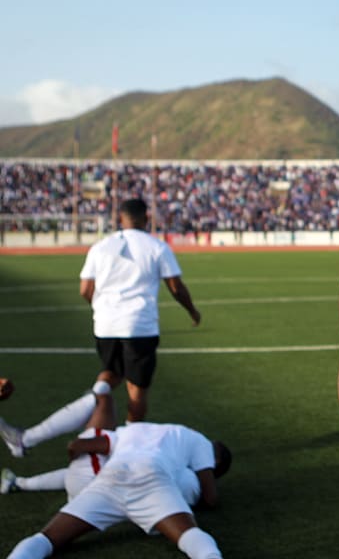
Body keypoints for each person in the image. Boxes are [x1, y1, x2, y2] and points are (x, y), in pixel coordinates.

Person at [5, 420, 230, 559]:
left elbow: (77, 446)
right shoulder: (200, 442)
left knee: (46, 539)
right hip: (152, 475)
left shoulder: (137, 429)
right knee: (190, 535)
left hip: (110, 477)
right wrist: (183, 503)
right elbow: (210, 498)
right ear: (215, 458)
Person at [79, 197, 202, 423]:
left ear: (120, 218)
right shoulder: (157, 247)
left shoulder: (100, 247)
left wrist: (99, 307)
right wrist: (192, 311)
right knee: (136, 390)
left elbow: (85, 289)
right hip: (138, 325)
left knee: (111, 373)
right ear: (147, 218)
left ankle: (91, 401)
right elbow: (175, 287)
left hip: (105, 325)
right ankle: (129, 442)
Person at [1, 379, 115, 494]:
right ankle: (17, 483)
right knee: (92, 470)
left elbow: (75, 447)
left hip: (97, 488)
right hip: (98, 487)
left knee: (101, 400)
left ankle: (24, 440)